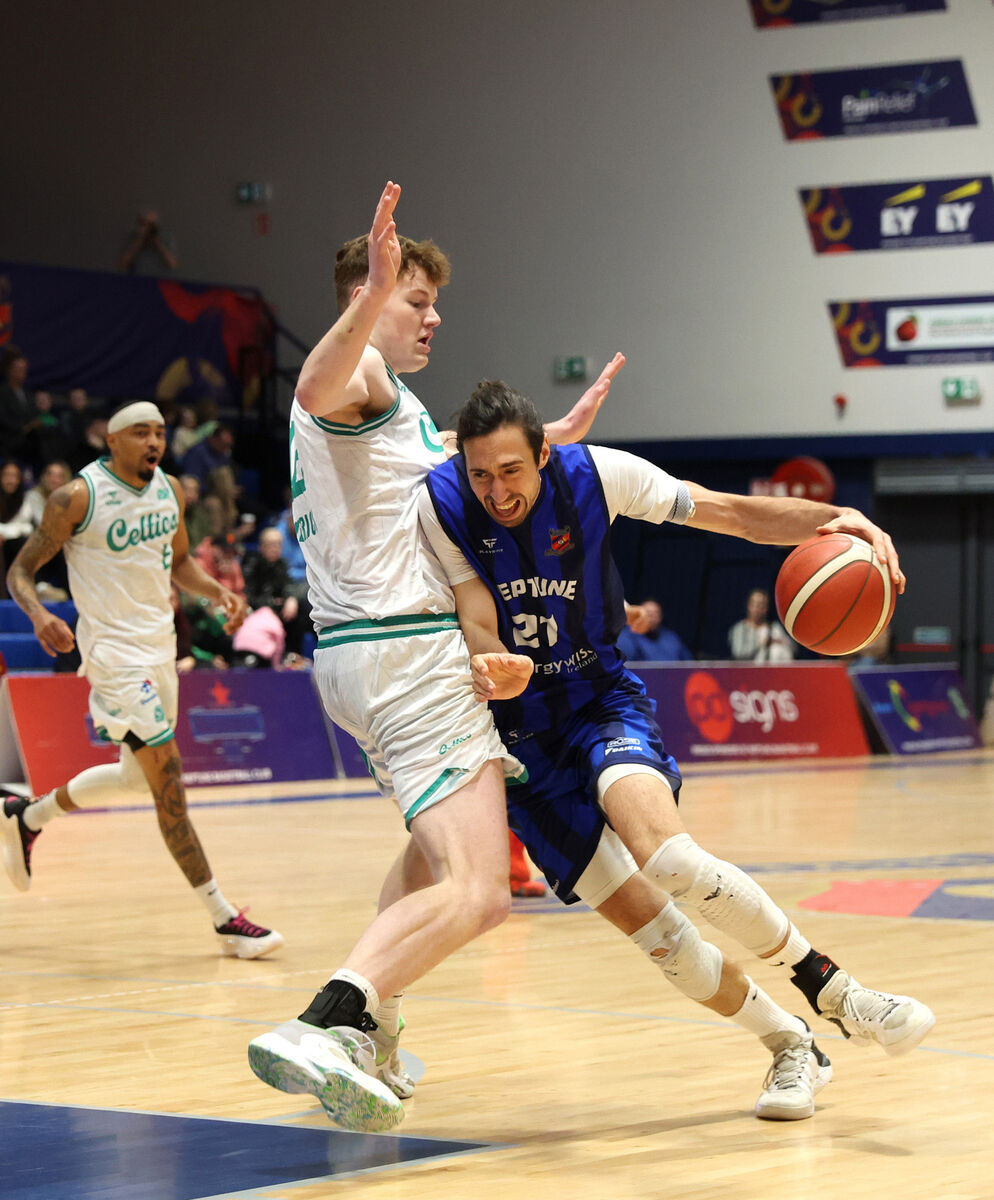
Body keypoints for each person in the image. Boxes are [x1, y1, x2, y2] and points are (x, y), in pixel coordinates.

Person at [417, 378, 935, 1121]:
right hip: (520, 738)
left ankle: (837, 991)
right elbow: (473, 610)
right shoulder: (441, 503)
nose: (496, 492)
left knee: (671, 857)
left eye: (511, 471)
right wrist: (489, 660)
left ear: (544, 453)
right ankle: (793, 1047)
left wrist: (837, 516)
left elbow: (734, 516)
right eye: (481, 475)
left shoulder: (596, 475)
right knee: (662, 940)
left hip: (598, 702)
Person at [246, 182, 620, 1133]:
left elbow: (434, 451)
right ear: (366, 299)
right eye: (417, 298)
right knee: (481, 890)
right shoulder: (359, 369)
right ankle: (329, 1017)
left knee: (428, 853)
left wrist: (545, 443)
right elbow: (316, 385)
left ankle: (369, 1024)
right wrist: (373, 297)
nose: (431, 315)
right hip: (408, 656)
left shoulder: (399, 411)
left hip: (358, 663)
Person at [1, 401, 282, 960]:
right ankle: (224, 917)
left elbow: (178, 562)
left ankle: (25, 816)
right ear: (112, 440)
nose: (154, 441)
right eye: (140, 433)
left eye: (158, 432)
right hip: (114, 658)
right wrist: (38, 614)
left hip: (159, 651)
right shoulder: (75, 498)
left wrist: (217, 591)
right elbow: (20, 571)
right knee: (168, 781)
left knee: (136, 778)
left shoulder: (170, 491)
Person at [617, 597, 694, 662]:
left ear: (660, 617)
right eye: (648, 613)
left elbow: (688, 665)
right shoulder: (626, 637)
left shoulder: (671, 638)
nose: (652, 618)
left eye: (656, 614)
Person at [729, 588, 794, 662]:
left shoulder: (774, 627)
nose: (759, 609)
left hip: (777, 669)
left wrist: (781, 641)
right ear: (749, 605)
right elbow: (738, 653)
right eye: (756, 605)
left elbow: (794, 648)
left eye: (762, 605)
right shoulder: (740, 628)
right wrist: (761, 644)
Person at [119, 209, 178, 275]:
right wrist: (140, 241)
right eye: (144, 224)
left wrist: (158, 243)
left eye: (151, 225)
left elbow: (172, 264)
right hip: (137, 279)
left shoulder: (165, 237)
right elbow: (122, 264)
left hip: (159, 280)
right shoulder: (133, 237)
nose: (148, 228)